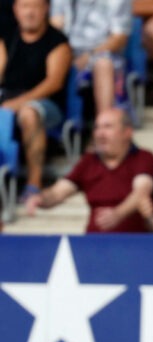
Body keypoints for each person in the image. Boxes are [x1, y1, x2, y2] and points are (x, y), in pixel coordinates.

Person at [24, 107, 153, 233]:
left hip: (136, 245)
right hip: (94, 244)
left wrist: (118, 214)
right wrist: (40, 199)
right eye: (97, 127)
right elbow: (59, 192)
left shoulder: (144, 157)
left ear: (127, 132)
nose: (100, 133)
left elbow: (141, 192)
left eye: (108, 127)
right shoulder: (89, 161)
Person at [0, 0, 71, 199]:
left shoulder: (58, 41)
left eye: (35, 6)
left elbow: (53, 83)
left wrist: (19, 103)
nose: (29, 12)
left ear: (46, 9)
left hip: (47, 104)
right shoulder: (7, 38)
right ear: (15, 10)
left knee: (29, 113)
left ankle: (34, 183)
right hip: (7, 99)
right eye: (24, 6)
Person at [50, 0, 131, 116]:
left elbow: (119, 38)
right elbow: (53, 26)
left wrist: (89, 55)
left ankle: (104, 123)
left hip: (102, 53)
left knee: (103, 63)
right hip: (65, 51)